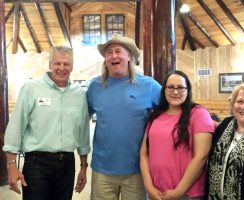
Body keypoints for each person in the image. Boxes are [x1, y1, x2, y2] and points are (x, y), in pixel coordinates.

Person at [3, 45, 91, 200]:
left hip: (67, 164)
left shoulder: (78, 94)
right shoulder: (31, 88)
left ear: (72, 66)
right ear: (50, 64)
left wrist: (83, 167)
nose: (62, 68)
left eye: (66, 64)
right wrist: (11, 164)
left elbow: (83, 131)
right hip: (37, 164)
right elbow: (16, 126)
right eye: (58, 63)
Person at [86, 34, 161, 200]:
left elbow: (174, 108)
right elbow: (81, 116)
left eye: (118, 51)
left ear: (129, 56)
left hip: (137, 169)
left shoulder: (149, 85)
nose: (113, 56)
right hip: (103, 168)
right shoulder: (94, 87)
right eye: (109, 52)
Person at [140, 70, 215, 200]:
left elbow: (201, 157)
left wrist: (178, 191)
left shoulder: (198, 114)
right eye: (170, 87)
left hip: (188, 194)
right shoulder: (156, 115)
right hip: (157, 193)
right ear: (164, 90)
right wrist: (149, 187)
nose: (175, 92)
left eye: (180, 88)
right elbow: (144, 153)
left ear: (188, 90)